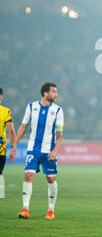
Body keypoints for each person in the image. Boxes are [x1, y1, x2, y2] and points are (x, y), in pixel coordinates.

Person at [12, 83, 64, 219]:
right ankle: (25, 209)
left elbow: (59, 135)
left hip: (49, 151)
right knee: (28, 175)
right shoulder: (31, 107)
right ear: (45, 93)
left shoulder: (58, 110)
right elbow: (23, 126)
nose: (56, 95)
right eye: (53, 92)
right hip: (32, 149)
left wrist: (55, 150)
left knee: (51, 178)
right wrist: (15, 145)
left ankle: (51, 210)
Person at [0, 87, 16, 198]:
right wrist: (13, 147)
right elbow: (12, 131)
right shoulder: (6, 111)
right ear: (1, 96)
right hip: (1, 149)